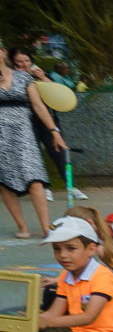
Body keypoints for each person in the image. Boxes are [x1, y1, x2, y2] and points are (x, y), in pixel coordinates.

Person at [39, 219, 113, 332]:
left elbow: (88, 317)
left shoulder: (102, 276)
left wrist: (46, 322)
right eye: (57, 249)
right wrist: (31, 321)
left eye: (70, 248)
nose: (62, 255)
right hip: (77, 331)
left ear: (91, 249)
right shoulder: (66, 276)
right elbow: (54, 313)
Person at [0, 51, 62, 238]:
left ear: (3, 52)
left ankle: (45, 227)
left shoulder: (23, 76)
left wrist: (54, 132)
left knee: (35, 177)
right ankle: (22, 227)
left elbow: (39, 106)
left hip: (24, 133)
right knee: (4, 182)